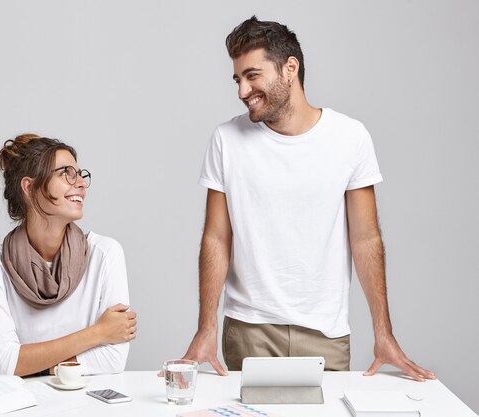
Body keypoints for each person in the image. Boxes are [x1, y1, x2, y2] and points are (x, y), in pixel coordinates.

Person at [182, 16, 435, 381]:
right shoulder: (226, 140)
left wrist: (384, 333)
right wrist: (205, 328)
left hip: (325, 332)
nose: (242, 90)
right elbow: (216, 238)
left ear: (290, 68)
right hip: (249, 329)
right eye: (238, 79)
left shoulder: (350, 137)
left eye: (252, 76)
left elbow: (366, 239)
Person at [0, 134, 137, 376]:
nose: (81, 184)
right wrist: (98, 333)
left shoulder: (105, 254)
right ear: (29, 188)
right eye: (66, 173)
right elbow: (8, 364)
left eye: (80, 174)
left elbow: (112, 360)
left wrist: (25, 365)